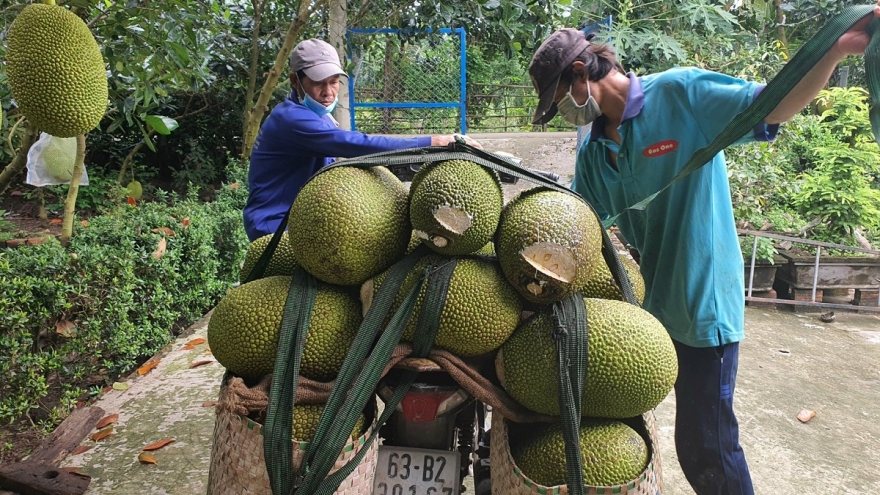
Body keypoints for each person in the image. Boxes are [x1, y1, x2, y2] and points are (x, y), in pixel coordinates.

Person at [527, 5, 880, 494]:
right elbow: (581, 225)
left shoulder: (681, 93)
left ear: (583, 73)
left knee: (707, 447)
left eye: (562, 97)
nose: (565, 110)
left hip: (704, 304)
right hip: (653, 310)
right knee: (632, 424)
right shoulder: (594, 154)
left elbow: (772, 105)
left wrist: (834, 51)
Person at [244, 38, 480, 241]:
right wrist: (433, 141)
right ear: (296, 81)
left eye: (334, 82)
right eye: (318, 83)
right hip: (274, 226)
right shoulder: (292, 119)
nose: (328, 92)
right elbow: (357, 145)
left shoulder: (317, 114)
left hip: (303, 215)